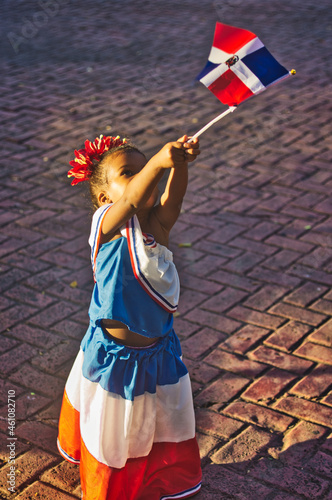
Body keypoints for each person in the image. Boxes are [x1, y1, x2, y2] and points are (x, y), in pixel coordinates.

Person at [57, 133, 202, 500]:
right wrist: (157, 162)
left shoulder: (156, 227)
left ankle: (152, 475)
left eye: (145, 169)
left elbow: (174, 197)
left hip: (157, 353)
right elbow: (135, 196)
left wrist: (179, 166)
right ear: (105, 197)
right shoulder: (106, 224)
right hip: (115, 360)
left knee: (151, 427)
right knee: (114, 434)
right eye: (130, 172)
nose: (144, 177)